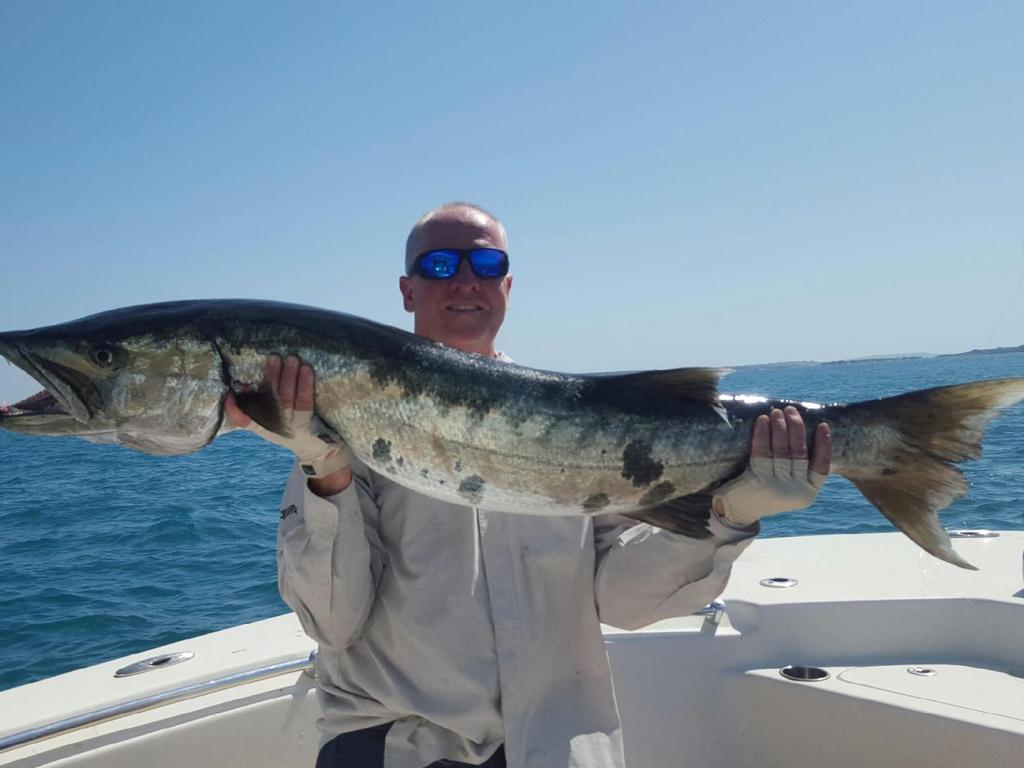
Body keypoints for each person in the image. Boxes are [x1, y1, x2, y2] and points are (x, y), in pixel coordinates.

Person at [225, 202, 831, 768]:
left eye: (487, 263)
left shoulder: (582, 430)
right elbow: (332, 623)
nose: (466, 278)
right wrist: (325, 472)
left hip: (558, 745)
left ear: (507, 287)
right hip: (396, 745)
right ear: (407, 291)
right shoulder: (340, 429)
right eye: (439, 265)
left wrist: (728, 516)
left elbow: (623, 601)